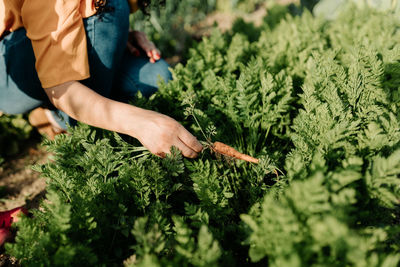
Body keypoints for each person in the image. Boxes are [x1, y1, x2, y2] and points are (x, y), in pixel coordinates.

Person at [0, 0, 203, 244]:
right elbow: (60, 89)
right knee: (111, 7)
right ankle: (74, 128)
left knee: (154, 77)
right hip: (9, 64)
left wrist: (119, 34)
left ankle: (57, 117)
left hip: (45, 35)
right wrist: (141, 123)